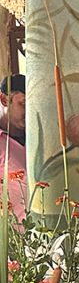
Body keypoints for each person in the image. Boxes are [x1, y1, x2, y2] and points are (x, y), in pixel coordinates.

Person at [0, 72, 26, 221]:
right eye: (23, 104)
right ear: (4, 100)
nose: (28, 111)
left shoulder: (39, 138)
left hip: (43, 230)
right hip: (8, 232)